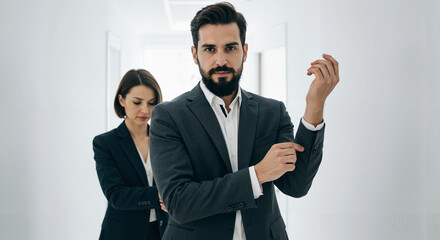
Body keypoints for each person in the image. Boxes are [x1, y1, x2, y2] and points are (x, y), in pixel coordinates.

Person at [150, 2, 339, 240]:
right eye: (209, 49)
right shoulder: (168, 117)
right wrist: (257, 175)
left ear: (245, 51)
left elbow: (296, 185)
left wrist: (314, 106)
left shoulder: (272, 111)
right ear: (194, 54)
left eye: (230, 48)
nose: (220, 60)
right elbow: (179, 203)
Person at [93, 69, 168, 240]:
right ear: (122, 100)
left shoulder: (166, 140)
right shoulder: (105, 143)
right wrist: (158, 195)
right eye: (137, 102)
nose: (145, 110)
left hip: (163, 231)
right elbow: (116, 195)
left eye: (151, 103)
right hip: (122, 233)